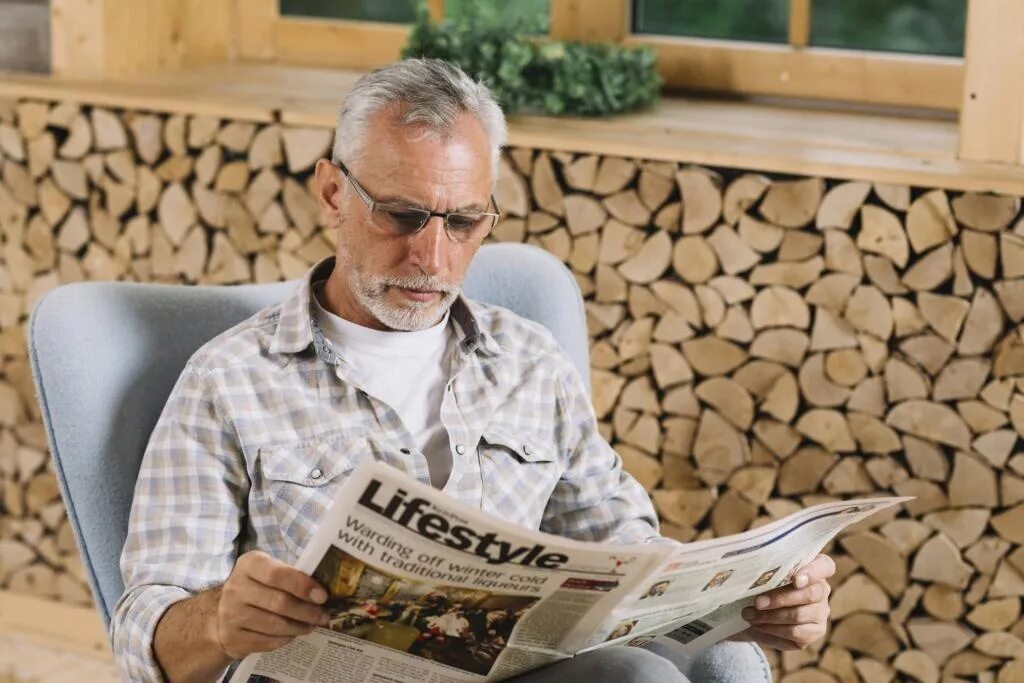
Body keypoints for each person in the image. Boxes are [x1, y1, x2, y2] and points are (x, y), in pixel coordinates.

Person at [111, 58, 833, 683]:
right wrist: (215, 622)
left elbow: (627, 550)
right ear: (333, 193)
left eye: (463, 222)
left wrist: (743, 601)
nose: (433, 257)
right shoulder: (230, 379)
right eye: (401, 215)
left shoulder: (527, 361)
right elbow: (146, 627)